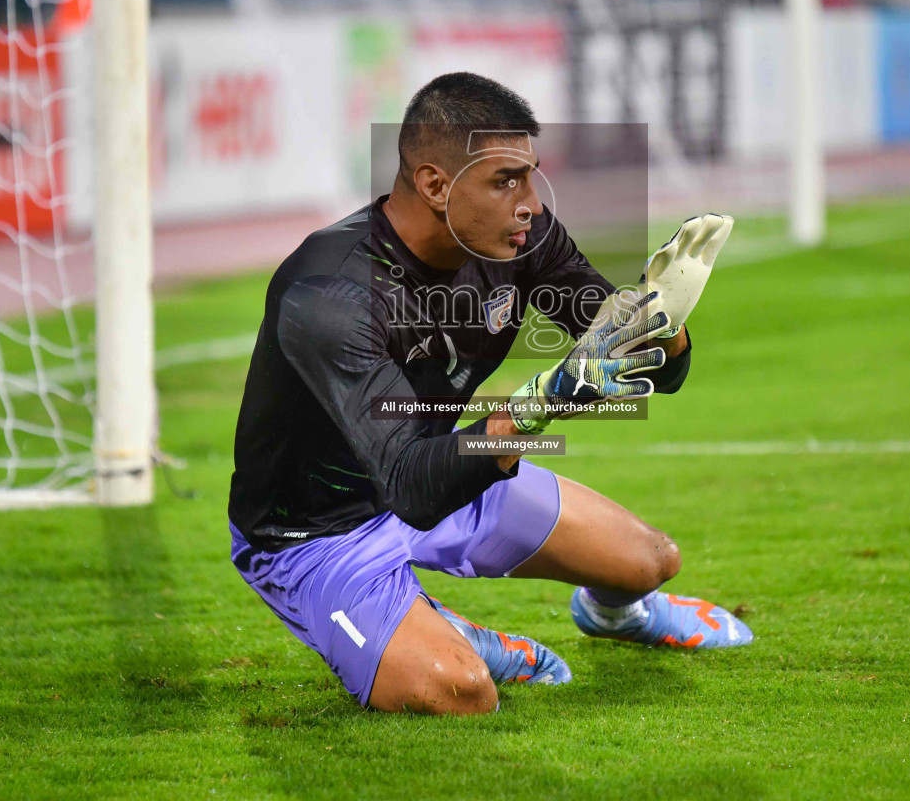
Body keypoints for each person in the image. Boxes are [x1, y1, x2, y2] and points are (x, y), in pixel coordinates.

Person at [228, 72, 750, 716]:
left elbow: (641, 361)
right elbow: (409, 489)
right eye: (506, 180)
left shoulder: (516, 239)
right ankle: (450, 632)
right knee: (462, 690)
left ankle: (614, 615)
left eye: (529, 175)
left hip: (446, 470)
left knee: (651, 561)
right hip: (313, 534)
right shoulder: (331, 296)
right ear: (434, 184)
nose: (529, 201)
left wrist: (659, 323)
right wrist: (538, 405)